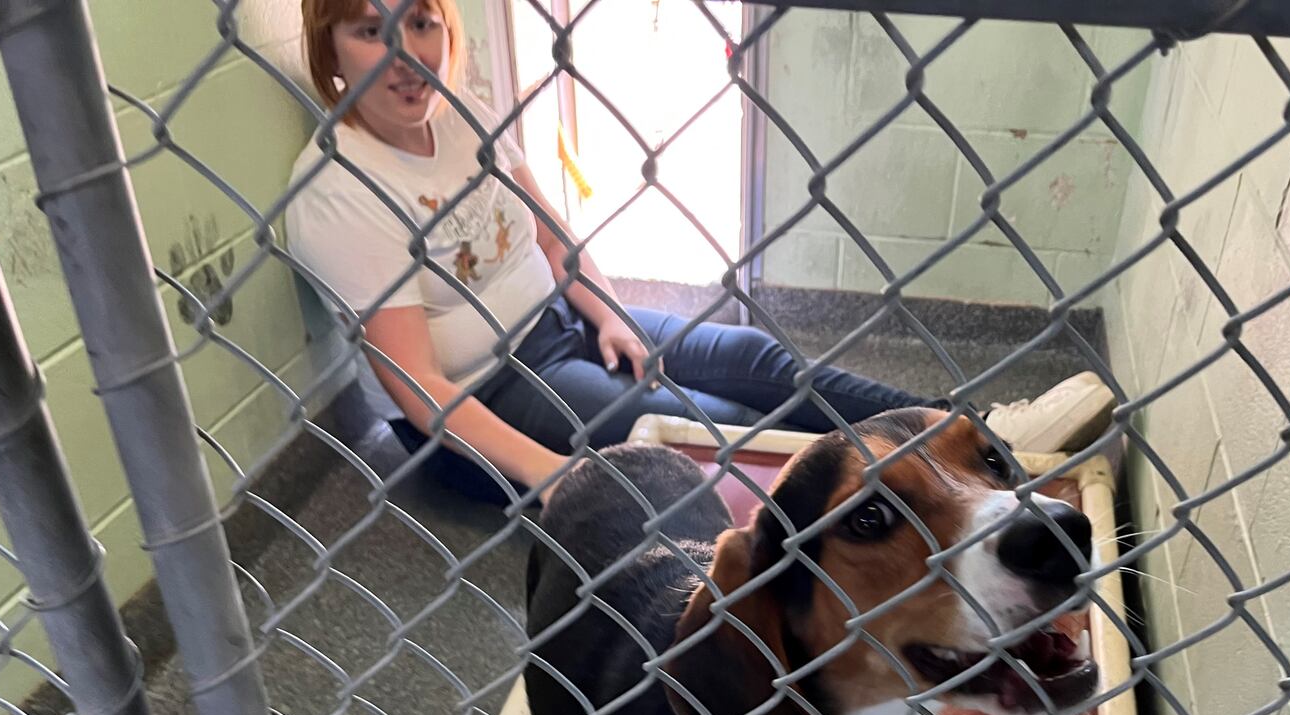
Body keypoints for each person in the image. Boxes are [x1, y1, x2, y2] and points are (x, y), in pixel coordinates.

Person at [289, 0, 1037, 506]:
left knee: (756, 358)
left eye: (420, 21)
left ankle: (966, 430)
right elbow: (418, 383)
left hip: (559, 323)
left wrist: (611, 314)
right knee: (716, 423)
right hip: (486, 394)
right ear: (328, 47)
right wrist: (548, 474)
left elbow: (554, 237)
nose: (405, 54)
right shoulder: (336, 187)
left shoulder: (461, 116)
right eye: (368, 28)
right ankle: (929, 496)